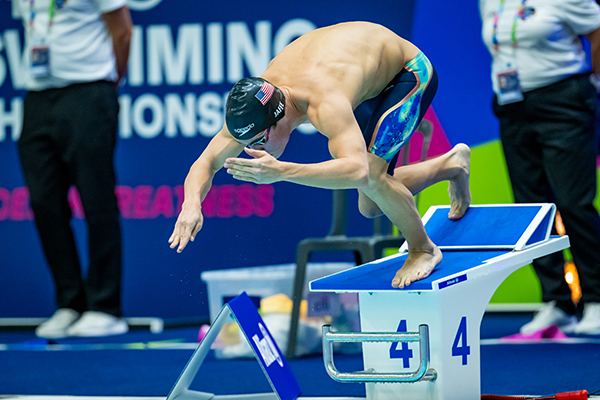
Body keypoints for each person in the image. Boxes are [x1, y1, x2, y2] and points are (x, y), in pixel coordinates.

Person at [169, 21, 472, 289]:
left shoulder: (323, 100)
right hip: (365, 79)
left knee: (373, 181)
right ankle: (453, 164)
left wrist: (282, 171)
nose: (253, 150)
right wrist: (191, 204)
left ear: (279, 119)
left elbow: (357, 171)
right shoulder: (257, 103)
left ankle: (423, 249)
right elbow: (206, 161)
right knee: (371, 204)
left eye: (258, 141)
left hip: (407, 72)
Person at [12, 0, 133, 338]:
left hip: (88, 91)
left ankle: (105, 307)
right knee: (43, 202)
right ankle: (70, 302)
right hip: (37, 96)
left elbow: (122, 31)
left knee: (96, 200)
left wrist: (106, 82)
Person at [480, 0, 600, 335]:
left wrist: (595, 83)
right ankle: (557, 301)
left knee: (573, 203)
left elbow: (598, 30)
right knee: (531, 207)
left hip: (564, 101)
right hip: (511, 105)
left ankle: (596, 300)